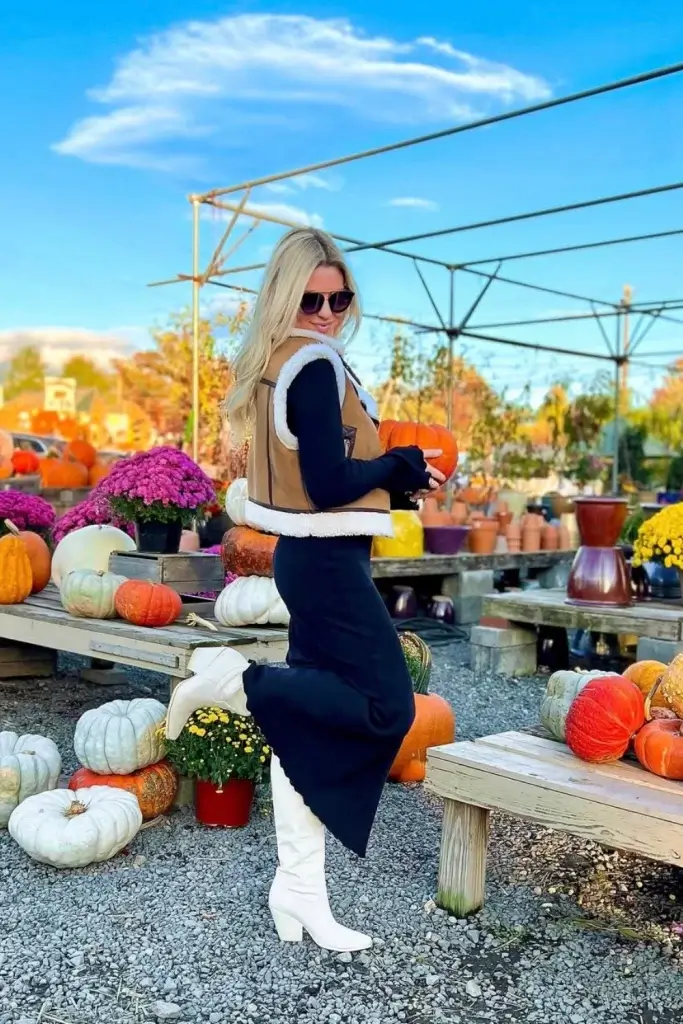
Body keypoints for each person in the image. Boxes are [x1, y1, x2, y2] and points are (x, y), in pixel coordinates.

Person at [166, 227, 446, 953]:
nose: (326, 310)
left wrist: (402, 479)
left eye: (338, 297)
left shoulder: (281, 364)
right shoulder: (314, 366)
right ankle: (231, 676)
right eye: (310, 297)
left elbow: (312, 477)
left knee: (314, 727)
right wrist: (397, 462)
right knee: (386, 706)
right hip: (324, 567)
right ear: (285, 296)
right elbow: (326, 482)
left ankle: (298, 891)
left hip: (314, 557)